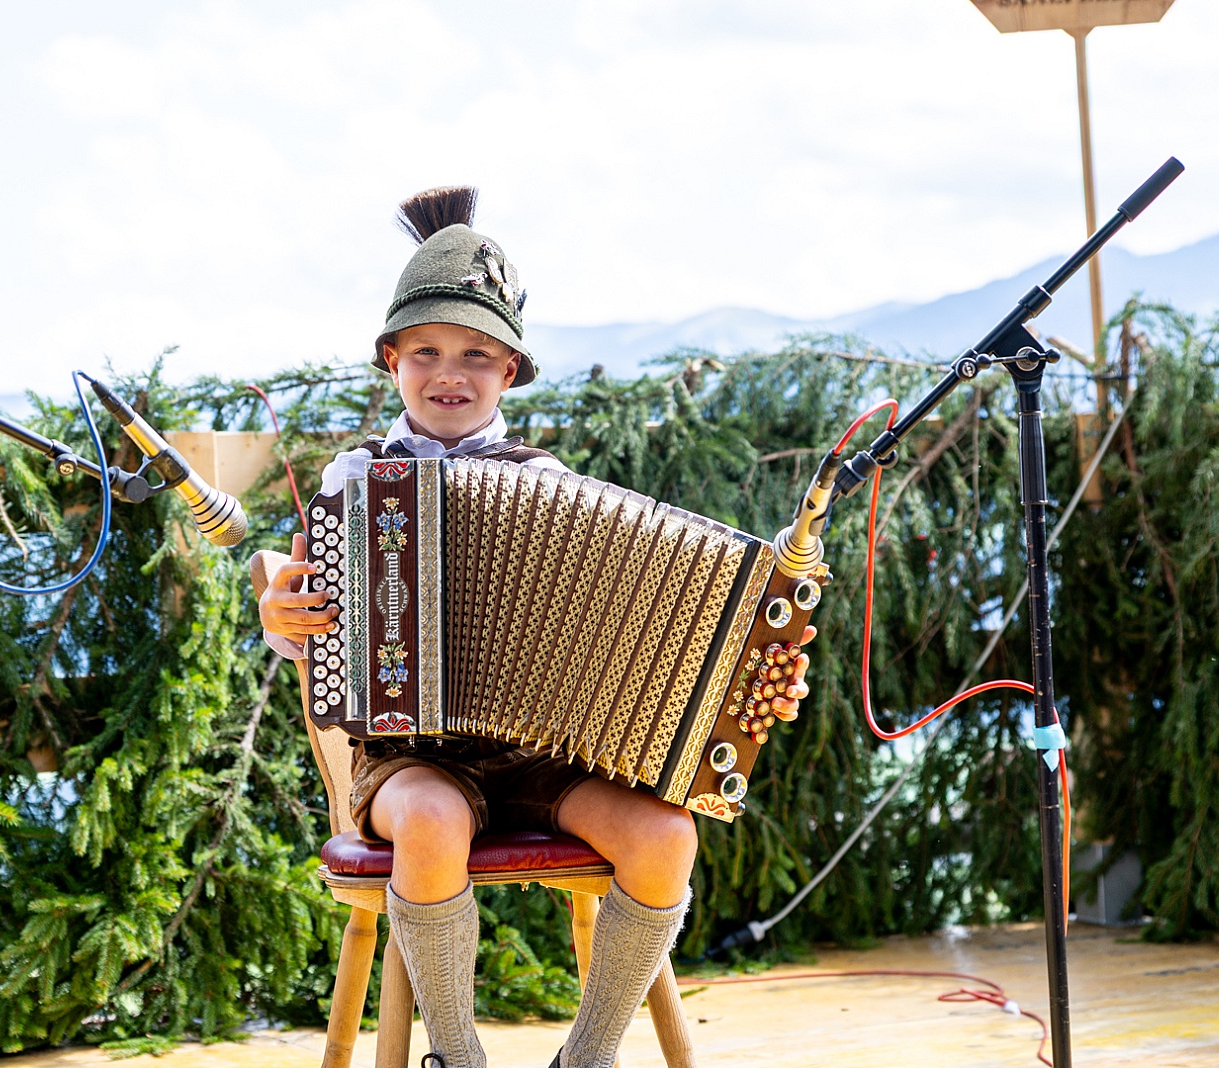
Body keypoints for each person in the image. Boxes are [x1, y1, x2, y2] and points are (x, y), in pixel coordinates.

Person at [258, 187, 812, 1068]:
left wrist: (737, 681)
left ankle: (588, 1056)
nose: (450, 373)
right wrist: (282, 616)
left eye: (476, 354)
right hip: (409, 760)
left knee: (668, 834)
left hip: (545, 759)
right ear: (391, 360)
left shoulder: (548, 484)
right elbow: (314, 626)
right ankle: (456, 1054)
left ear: (510, 369)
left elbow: (629, 637)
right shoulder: (355, 480)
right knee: (431, 820)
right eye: (427, 351)